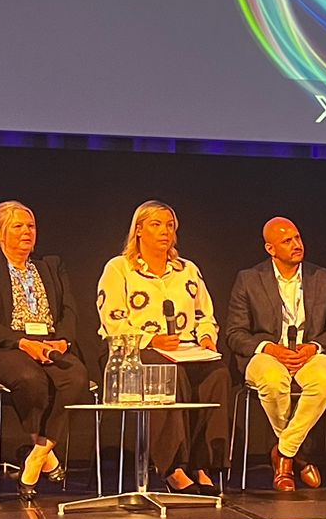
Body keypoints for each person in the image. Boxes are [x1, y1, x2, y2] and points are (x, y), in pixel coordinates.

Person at [94, 201, 231, 492]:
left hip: (186, 349)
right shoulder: (119, 268)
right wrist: (151, 340)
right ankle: (173, 468)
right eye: (156, 225)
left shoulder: (187, 270)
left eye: (169, 226)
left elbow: (205, 316)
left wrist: (206, 338)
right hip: (134, 351)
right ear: (138, 230)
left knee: (217, 374)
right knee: (167, 370)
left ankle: (202, 464)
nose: (164, 232)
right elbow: (112, 320)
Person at [0, 200, 91, 503]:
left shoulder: (51, 265)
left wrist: (63, 341)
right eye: (18, 226)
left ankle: (37, 453)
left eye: (31, 226)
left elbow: (69, 310)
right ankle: (46, 454)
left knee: (76, 377)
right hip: (5, 346)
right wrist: (22, 343)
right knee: (30, 378)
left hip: (50, 343)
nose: (27, 232)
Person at [227, 219, 326, 491]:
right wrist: (270, 348)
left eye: (297, 238)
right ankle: (297, 455)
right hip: (267, 353)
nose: (296, 245)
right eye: (287, 241)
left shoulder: (325, 278)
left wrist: (313, 347)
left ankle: (283, 453)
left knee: (324, 380)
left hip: (309, 352)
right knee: (272, 380)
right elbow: (235, 334)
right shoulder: (249, 279)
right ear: (271, 248)